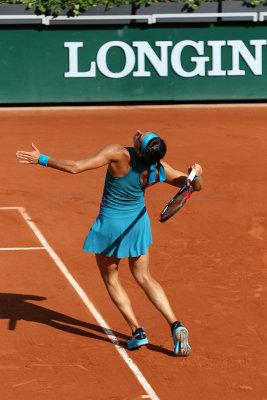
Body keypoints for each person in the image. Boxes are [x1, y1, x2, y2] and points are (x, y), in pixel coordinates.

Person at [16, 130, 203, 356]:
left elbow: (75, 167)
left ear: (138, 149)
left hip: (110, 226)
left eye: (140, 137)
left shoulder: (116, 152)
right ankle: (175, 324)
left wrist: (41, 159)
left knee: (111, 278)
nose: (138, 133)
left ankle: (137, 331)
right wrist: (196, 174)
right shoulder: (159, 168)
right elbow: (195, 186)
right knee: (144, 277)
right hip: (137, 225)